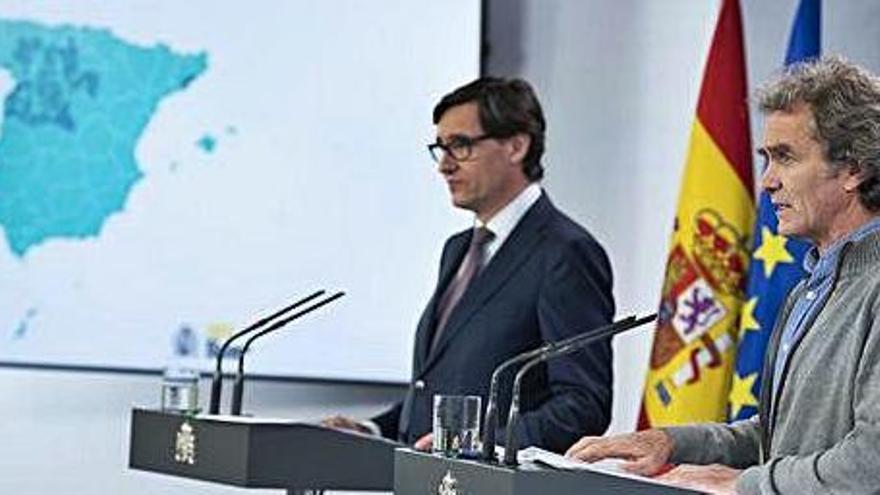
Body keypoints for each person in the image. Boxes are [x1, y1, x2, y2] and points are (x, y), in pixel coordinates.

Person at [566, 56, 880, 494]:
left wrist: (746, 486)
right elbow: (777, 440)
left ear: (853, 169)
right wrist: (668, 442)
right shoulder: (811, 288)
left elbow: (870, 465)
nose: (767, 181)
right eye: (766, 159)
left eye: (785, 158)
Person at [325, 77, 615, 453]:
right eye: (440, 148)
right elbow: (443, 390)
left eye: (460, 146)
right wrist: (372, 429)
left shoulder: (565, 251)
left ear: (516, 146)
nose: (444, 166)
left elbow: (582, 407)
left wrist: (479, 443)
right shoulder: (459, 249)